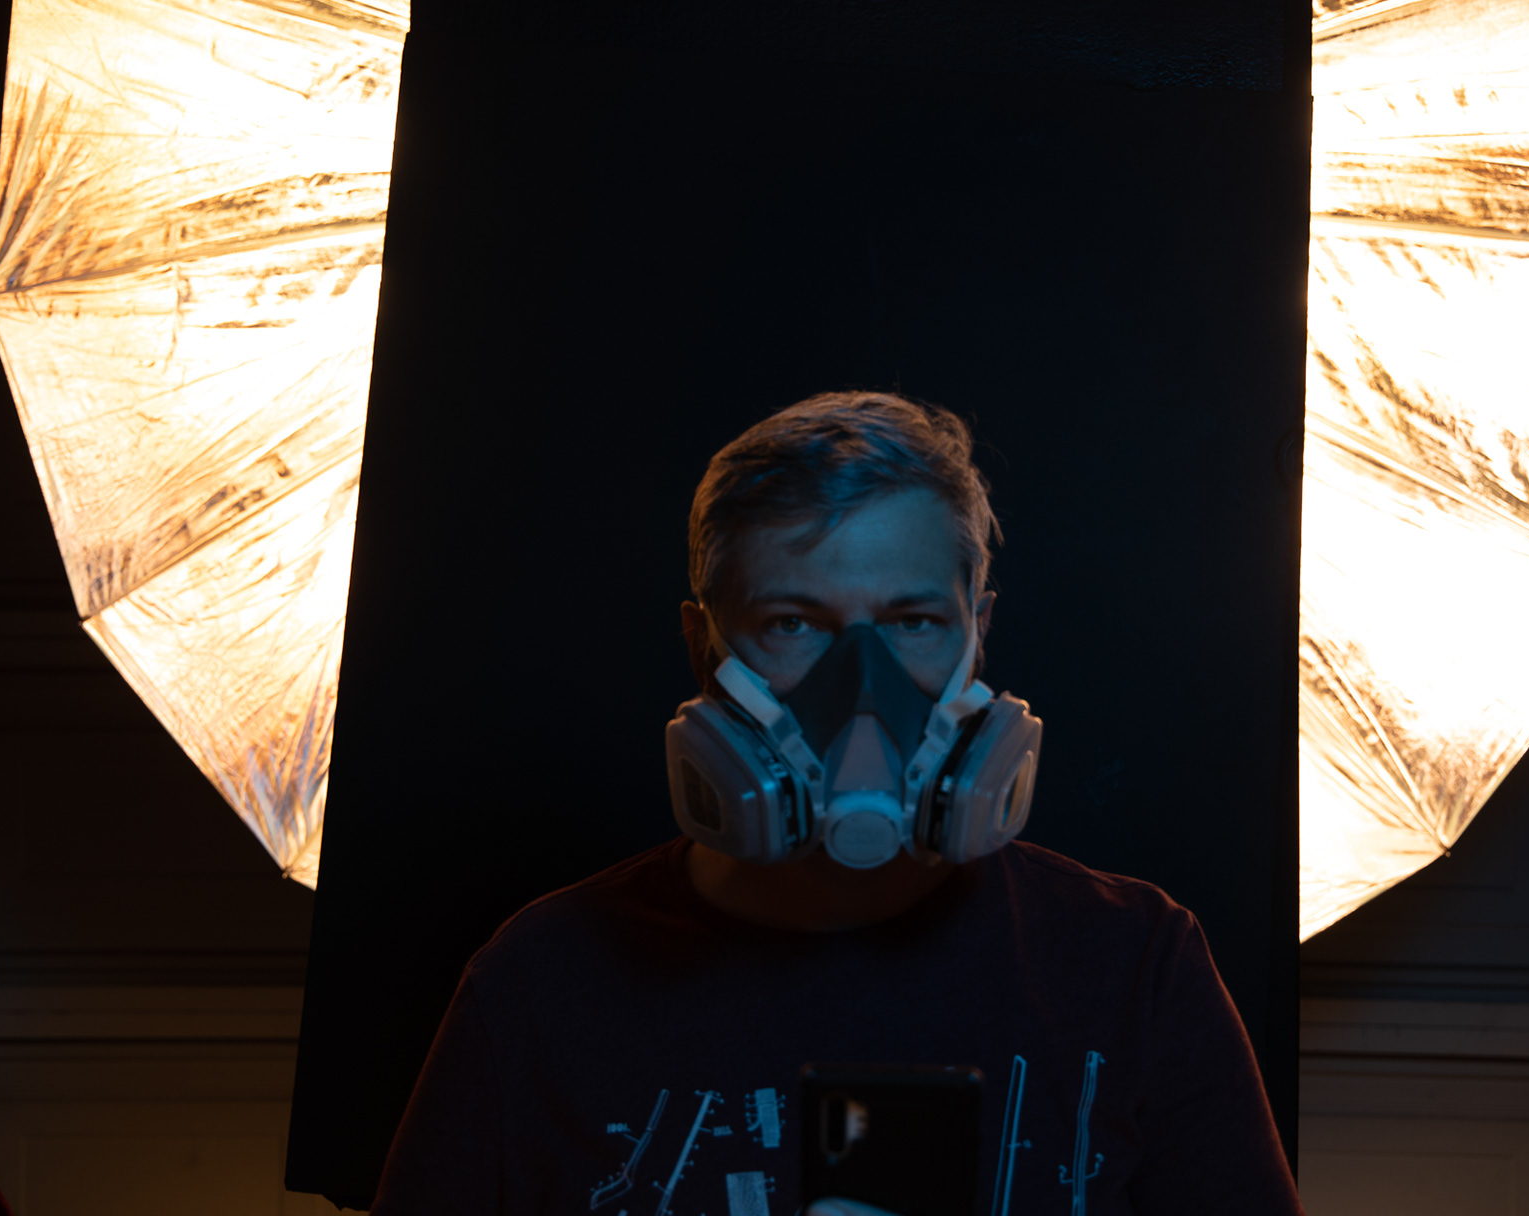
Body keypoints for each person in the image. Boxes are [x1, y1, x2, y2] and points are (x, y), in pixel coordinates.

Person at [371, 393, 1303, 1216]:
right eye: (792, 623)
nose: (864, 685)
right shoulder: (541, 986)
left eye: (913, 623)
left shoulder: (1131, 969)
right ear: (704, 645)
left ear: (977, 631)